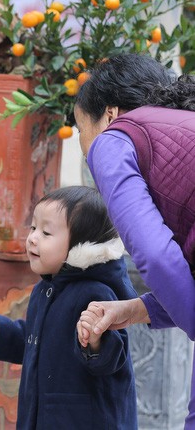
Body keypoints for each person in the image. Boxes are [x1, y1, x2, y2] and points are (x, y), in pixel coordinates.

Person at [72, 53, 195, 427]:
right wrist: (133, 310)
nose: (84, 144)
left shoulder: (113, 140)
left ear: (109, 115)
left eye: (81, 130)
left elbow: (156, 257)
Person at [0, 186, 138, 429]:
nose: (33, 237)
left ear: (80, 247)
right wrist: (3, 332)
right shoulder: (45, 290)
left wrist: (95, 341)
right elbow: (39, 343)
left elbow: (112, 358)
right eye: (33, 228)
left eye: (46, 232)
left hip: (86, 420)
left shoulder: (97, 293)